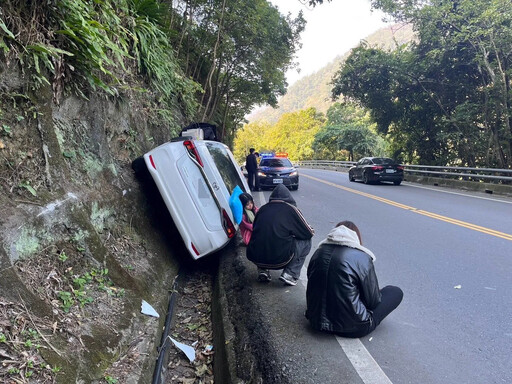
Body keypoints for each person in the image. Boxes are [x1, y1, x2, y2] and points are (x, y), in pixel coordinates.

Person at [305, 221, 403, 338]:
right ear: (356, 237)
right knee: (395, 291)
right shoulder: (362, 257)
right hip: (353, 328)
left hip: (315, 321)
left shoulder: (318, 252)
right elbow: (373, 302)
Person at [247, 184, 314, 285]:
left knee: (263, 237)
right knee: (306, 241)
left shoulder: (262, 209)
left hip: (256, 257)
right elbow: (307, 233)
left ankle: (263, 270)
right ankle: (290, 274)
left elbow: (256, 230)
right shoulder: (291, 209)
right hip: (280, 260)